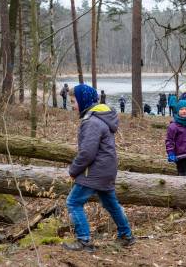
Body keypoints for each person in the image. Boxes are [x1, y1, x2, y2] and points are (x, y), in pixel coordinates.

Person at [63, 84, 135, 252]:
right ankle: (126, 235)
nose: (72, 105)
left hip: (94, 172)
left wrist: (73, 171)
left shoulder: (92, 122)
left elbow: (87, 153)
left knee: (73, 202)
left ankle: (84, 241)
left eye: (73, 101)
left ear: (82, 100)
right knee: (110, 203)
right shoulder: (101, 118)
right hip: (107, 170)